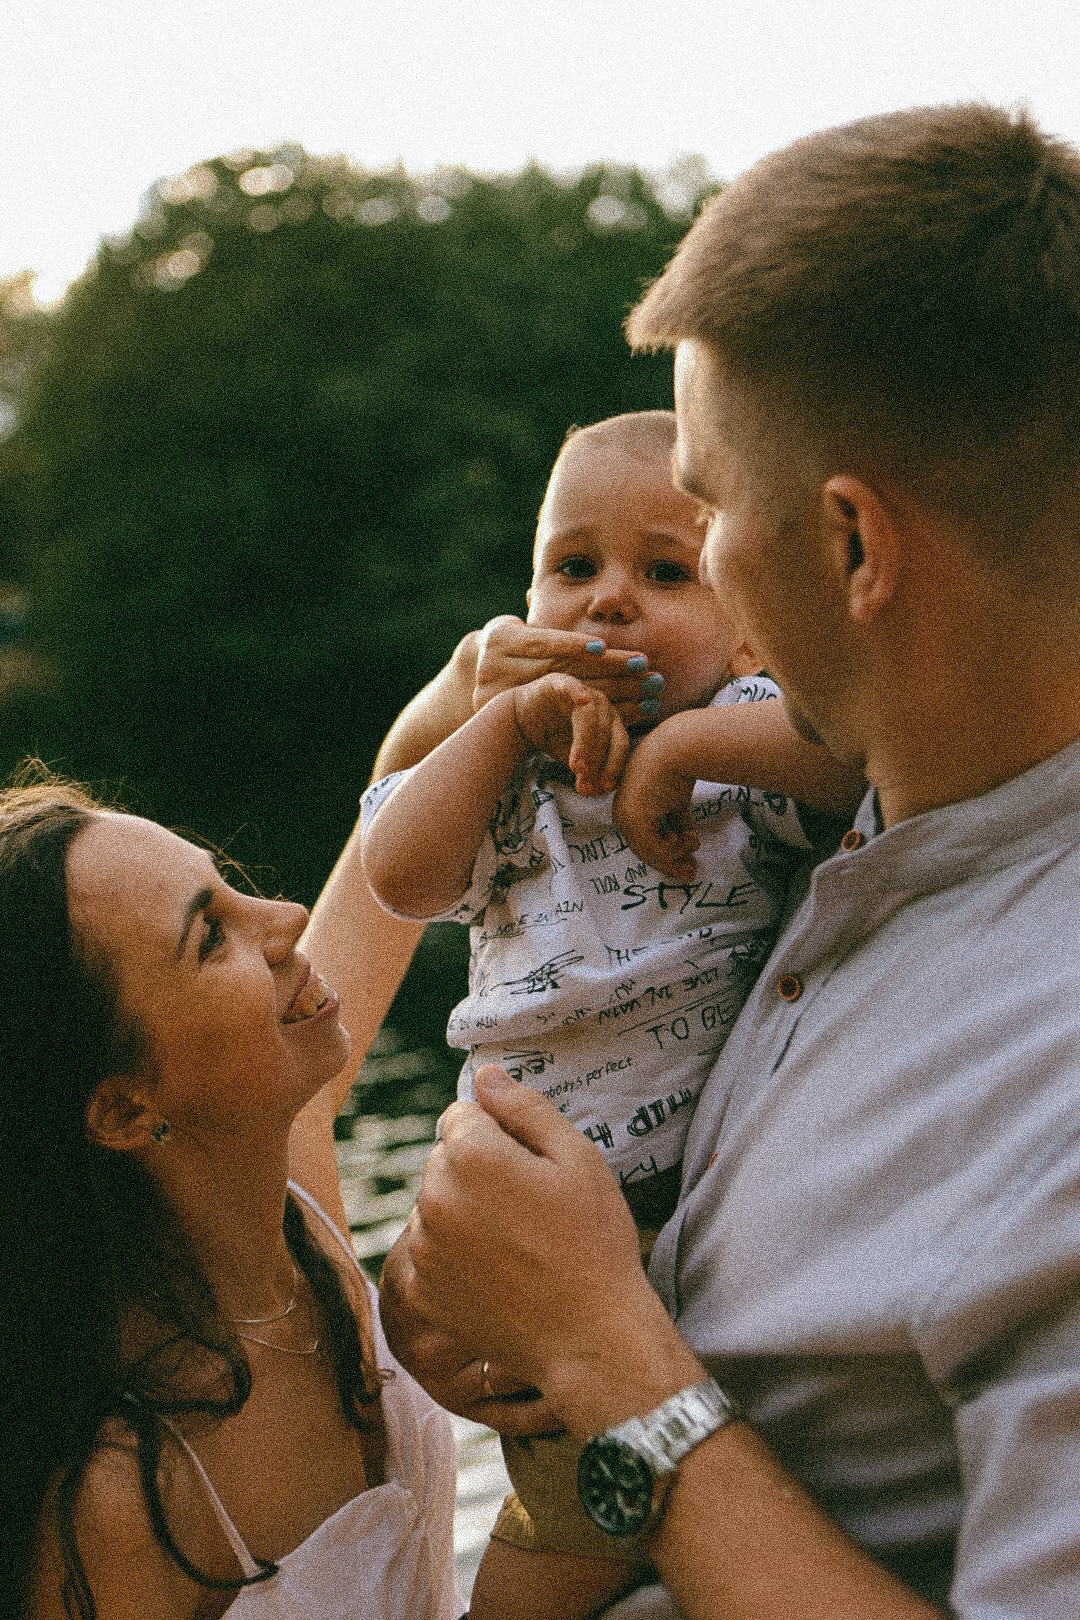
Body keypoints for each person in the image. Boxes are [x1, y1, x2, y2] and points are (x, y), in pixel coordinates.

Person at [379, 102, 1080, 1620]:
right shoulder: (854, 823)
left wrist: (600, 1351)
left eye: (704, 509)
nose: (644, 592)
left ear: (852, 548)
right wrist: (488, 1280)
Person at [362, 411, 862, 1617]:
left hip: (677, 1232)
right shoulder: (509, 772)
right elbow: (400, 876)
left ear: (747, 623)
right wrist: (492, 718)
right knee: (541, 1563)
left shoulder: (741, 737)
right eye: (572, 566)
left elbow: (854, 758)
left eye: (666, 572)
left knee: (581, 1559)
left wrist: (679, 748)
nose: (609, 600)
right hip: (526, 1211)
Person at [1, 764, 462, 1620]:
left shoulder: (299, 1224)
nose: (287, 918)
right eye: (211, 934)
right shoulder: (124, 1503)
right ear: (125, 1109)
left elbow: (399, 792)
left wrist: (502, 697)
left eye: (229, 883)